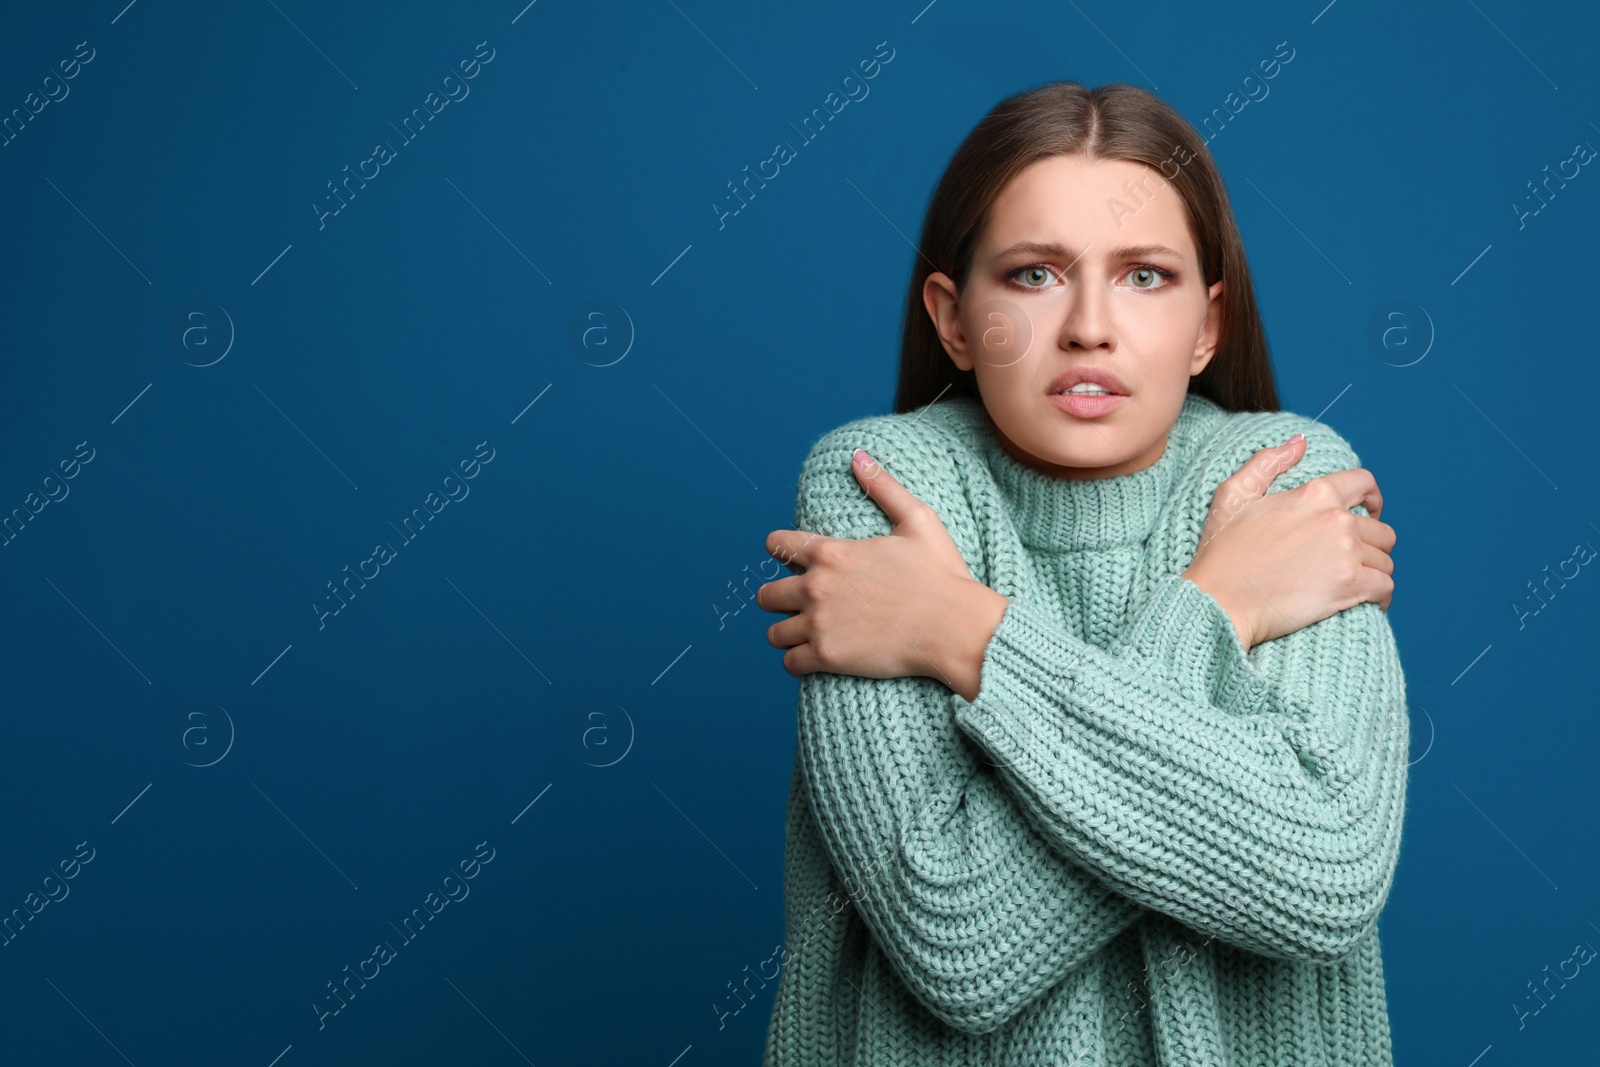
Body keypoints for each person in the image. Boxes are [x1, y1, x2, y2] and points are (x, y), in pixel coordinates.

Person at [755, 80, 1408, 1065]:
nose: (1089, 326)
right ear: (953, 317)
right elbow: (958, 936)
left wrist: (966, 633)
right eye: (1033, 275)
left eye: (1145, 276)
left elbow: (1323, 875)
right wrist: (1217, 606)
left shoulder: (1285, 480)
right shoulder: (879, 485)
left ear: (1206, 326)